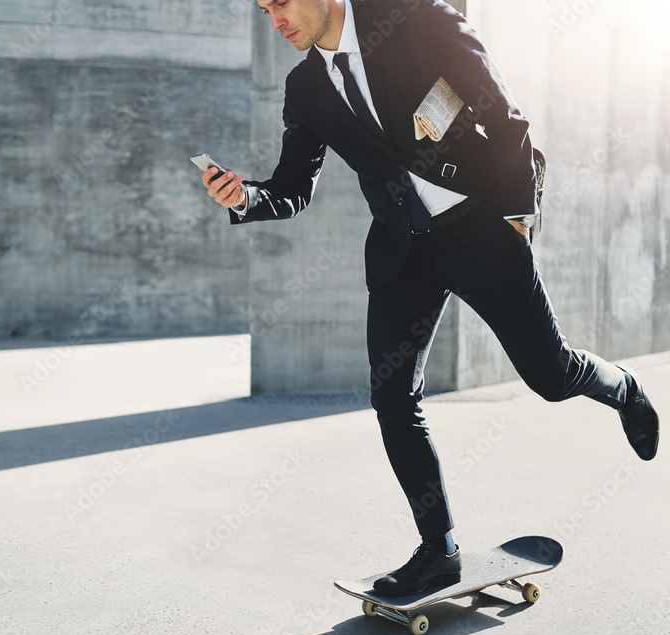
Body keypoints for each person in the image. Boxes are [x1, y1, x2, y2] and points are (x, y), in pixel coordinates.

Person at [201, 0, 659, 596]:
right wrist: (244, 198)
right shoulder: (304, 86)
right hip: (402, 252)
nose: (275, 20)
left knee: (550, 375)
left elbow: (505, 113)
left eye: (281, 3)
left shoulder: (416, 18)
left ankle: (623, 388)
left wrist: (517, 215)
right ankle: (438, 548)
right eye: (264, 9)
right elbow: (292, 190)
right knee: (392, 396)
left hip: (480, 227)